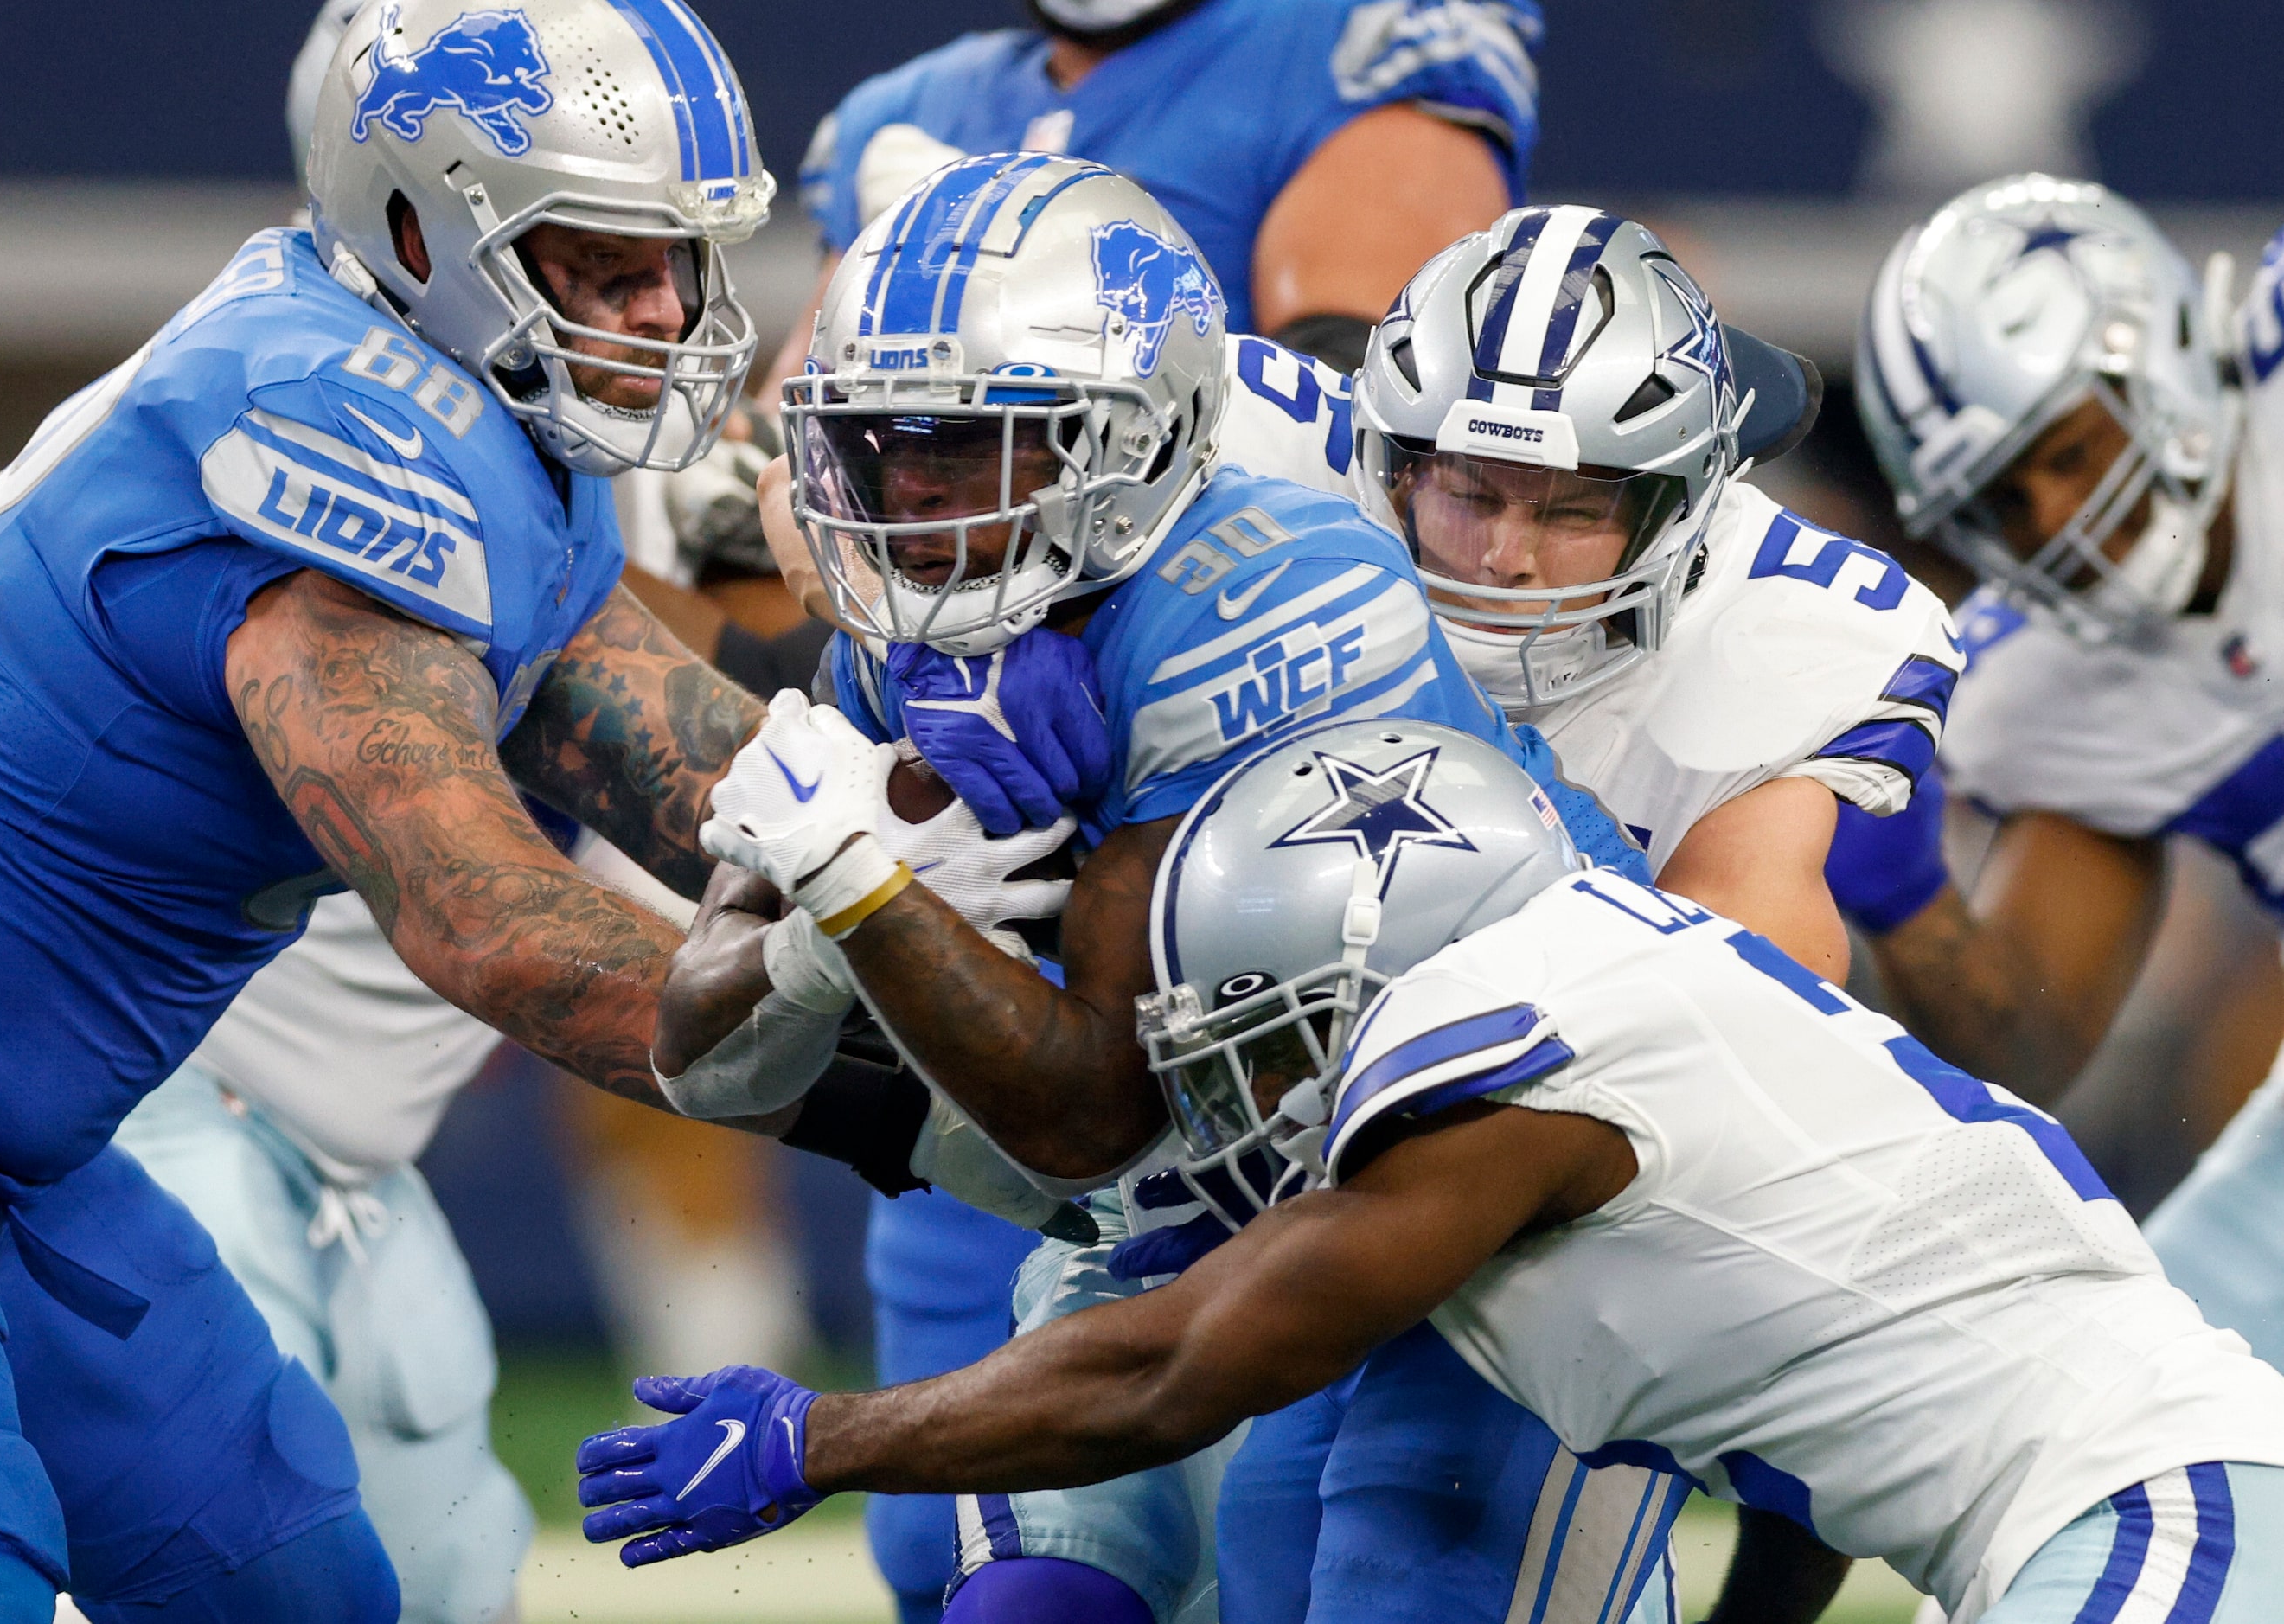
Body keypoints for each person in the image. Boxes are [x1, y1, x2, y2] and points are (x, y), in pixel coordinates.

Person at [0, 0, 954, 1614]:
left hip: (4, 1138)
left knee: (300, 1583)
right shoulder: (330, 420)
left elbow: (703, 774)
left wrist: (1001, 907)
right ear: (423, 230)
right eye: (601, 261)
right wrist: (917, 1109)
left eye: (679, 260)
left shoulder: (488, 420)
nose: (663, 310)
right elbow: (492, 922)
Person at [578, 718, 2284, 1624]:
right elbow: (1816, 1445)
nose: (1255, 1105)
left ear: (1407, 975)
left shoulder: (1503, 1056)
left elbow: (1175, 1372)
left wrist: (820, 1437)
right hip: (2146, 1508)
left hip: (2155, 1512)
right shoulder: (1654, 1007)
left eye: (1276, 1042)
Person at [640, 153, 1664, 1624]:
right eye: (879, 447)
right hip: (1197, 1192)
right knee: (1025, 1604)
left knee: (1336, 1574)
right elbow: (704, 1058)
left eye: (967, 448)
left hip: (1487, 1189)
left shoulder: (1274, 597)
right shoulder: (904, 633)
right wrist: (815, 924)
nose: (911, 499)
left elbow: (1087, 1106)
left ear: (1119, 443)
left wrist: (863, 885)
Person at [1179, 205, 1963, 1624]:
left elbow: (1738, 1020)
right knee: (1264, 1562)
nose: (1507, 557)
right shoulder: (1255, 465)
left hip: (1592, 1201)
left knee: (1422, 1575)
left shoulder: (1786, 630)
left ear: (1682, 509)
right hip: (1289, 1166)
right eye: (1471, 491)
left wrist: (1547, 844)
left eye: (1574, 507)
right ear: (1387, 461)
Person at [1839, 175, 2284, 1360]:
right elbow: (2025, 1042)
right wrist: (1900, 892)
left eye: (2068, 450)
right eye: (2000, 497)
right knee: (2156, 1406)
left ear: (2162, 361)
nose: (2052, 516)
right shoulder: (2036, 686)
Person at [784, 0, 1543, 384]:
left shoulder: (1339, 48)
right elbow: (797, 419)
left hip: (1200, 608)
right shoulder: (902, 107)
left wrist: (1013, 290)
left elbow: (1357, 424)